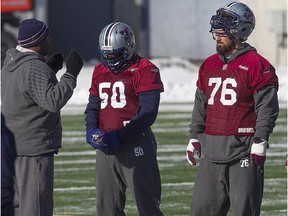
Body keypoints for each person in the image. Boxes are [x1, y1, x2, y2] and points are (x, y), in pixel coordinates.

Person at [185, 2, 279, 216]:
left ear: (240, 32)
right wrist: (194, 136)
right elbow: (201, 103)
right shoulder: (208, 64)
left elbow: (267, 107)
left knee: (245, 211)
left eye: (223, 33)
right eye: (216, 32)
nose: (217, 37)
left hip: (242, 152)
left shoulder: (257, 64)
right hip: (211, 153)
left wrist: (260, 139)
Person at [1, 18, 84, 216]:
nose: (51, 40)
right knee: (36, 209)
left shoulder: (9, 63)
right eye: (47, 37)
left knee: (16, 209)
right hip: (33, 151)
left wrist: (50, 70)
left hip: (11, 149)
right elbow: (53, 100)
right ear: (37, 41)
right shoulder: (34, 68)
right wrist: (70, 73)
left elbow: (25, 93)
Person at [85, 22, 164, 215]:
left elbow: (147, 113)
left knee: (147, 206)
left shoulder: (145, 69)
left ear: (128, 48)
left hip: (136, 143)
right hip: (106, 144)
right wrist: (91, 129)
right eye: (106, 54)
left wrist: (121, 136)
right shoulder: (99, 70)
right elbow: (93, 106)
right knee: (107, 208)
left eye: (114, 54)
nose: (109, 59)